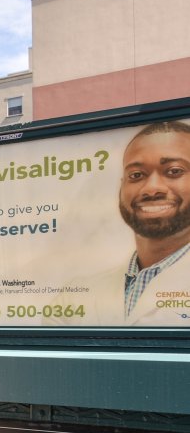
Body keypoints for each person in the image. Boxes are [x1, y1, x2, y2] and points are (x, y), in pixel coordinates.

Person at [77, 121, 190, 326]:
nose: (152, 189)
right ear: (122, 188)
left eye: (174, 171)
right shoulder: (74, 298)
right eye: (136, 175)